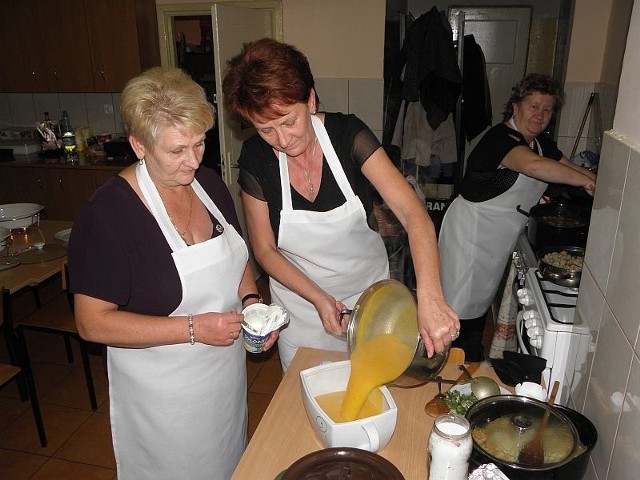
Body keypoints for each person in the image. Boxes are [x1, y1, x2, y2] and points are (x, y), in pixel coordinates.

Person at [67, 67, 277, 480]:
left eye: (199, 144)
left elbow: (237, 262)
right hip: (163, 403)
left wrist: (252, 305)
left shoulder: (210, 185)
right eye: (177, 150)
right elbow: (90, 323)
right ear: (139, 145)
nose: (193, 160)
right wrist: (196, 329)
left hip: (223, 383)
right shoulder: (109, 215)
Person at [222, 38, 459, 371]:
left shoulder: (349, 135)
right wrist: (319, 299)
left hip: (369, 303)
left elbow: (413, 214)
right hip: (302, 308)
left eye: (289, 121)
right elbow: (265, 250)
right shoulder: (256, 159)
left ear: (310, 98)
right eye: (266, 130)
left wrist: (430, 297)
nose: (283, 140)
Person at [438, 73, 597, 361]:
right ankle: (449, 362)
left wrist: (600, 184)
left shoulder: (540, 143)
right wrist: (585, 183)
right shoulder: (500, 139)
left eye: (547, 109)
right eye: (534, 106)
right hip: (470, 231)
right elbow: (535, 167)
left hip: (498, 235)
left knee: (479, 302)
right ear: (516, 107)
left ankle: (468, 358)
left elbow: (569, 167)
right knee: (458, 305)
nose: (540, 115)